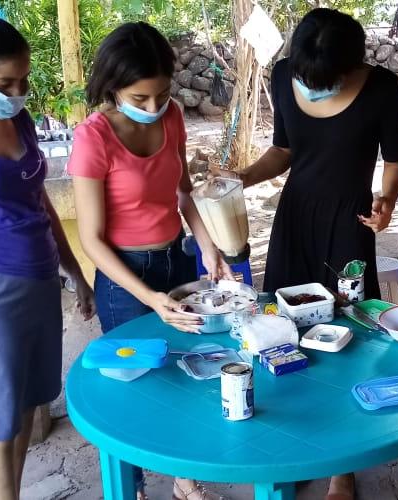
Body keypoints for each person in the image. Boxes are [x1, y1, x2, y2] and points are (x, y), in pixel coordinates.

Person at [68, 22, 231, 500]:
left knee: (190, 368)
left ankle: (184, 480)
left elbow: (183, 195)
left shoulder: (173, 117)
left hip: (176, 265)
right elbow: (94, 240)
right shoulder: (93, 138)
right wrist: (150, 298)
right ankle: (132, 487)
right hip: (125, 280)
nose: (152, 107)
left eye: (160, 95)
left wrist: (207, 246)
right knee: (131, 386)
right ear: (113, 87)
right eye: (139, 98)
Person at [0, 9, 95, 499]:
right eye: (4, 83)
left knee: (25, 408)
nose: (16, 94)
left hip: (38, 281)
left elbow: (39, 198)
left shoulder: (21, 120)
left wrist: (74, 270)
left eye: (23, 81)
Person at [214, 8, 398, 304]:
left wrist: (388, 200)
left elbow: (394, 162)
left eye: (325, 80)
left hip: (350, 220)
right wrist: (244, 177)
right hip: (295, 215)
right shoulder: (282, 75)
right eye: (305, 76)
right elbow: (282, 150)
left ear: (350, 65)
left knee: (349, 312)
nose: (312, 86)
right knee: (286, 309)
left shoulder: (382, 87)